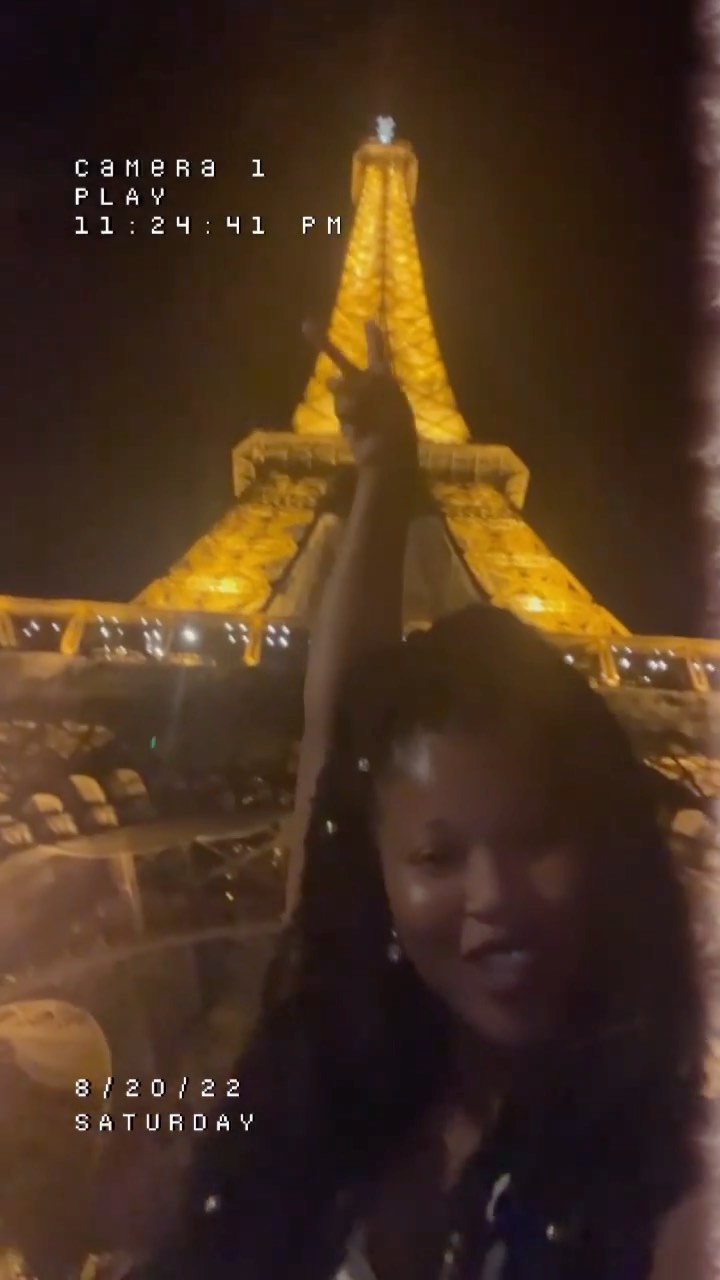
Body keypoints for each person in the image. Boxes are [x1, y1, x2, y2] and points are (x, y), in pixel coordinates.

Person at [137, 322, 709, 1279]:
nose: (494, 897)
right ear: (382, 874)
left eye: (535, 838)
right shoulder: (342, 1080)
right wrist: (383, 486)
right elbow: (340, 729)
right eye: (440, 856)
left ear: (604, 845)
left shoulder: (666, 1190)